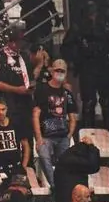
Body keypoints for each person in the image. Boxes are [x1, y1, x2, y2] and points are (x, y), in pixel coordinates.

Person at [61, 0, 109, 125]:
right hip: (87, 66)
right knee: (89, 102)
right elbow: (66, 47)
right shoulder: (78, 27)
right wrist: (75, 60)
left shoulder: (105, 25)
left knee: (107, 102)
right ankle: (89, 130)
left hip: (103, 66)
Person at [32, 57, 77, 186]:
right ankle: (55, 186)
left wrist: (69, 136)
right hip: (46, 136)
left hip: (63, 136)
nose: (60, 73)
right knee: (44, 157)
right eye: (57, 70)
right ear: (51, 71)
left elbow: (72, 117)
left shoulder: (67, 93)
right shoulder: (42, 89)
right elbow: (35, 114)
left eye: (63, 71)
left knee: (65, 164)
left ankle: (62, 187)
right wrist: (39, 138)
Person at [0, 99, 28, 197]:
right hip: (0, 168)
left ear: (6, 109)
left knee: (20, 196)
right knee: (0, 197)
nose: (1, 112)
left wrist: (23, 166)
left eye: (3, 109)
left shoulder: (16, 124)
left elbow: (25, 145)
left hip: (17, 167)